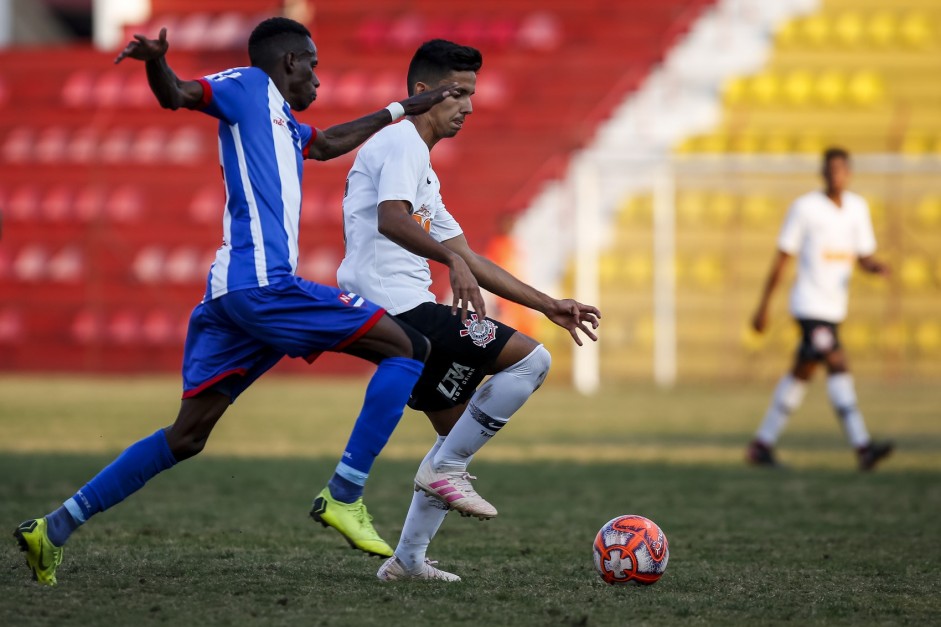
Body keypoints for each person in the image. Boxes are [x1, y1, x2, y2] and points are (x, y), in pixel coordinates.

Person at [13, 17, 460, 586]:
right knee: (409, 346)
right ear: (290, 62)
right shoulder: (249, 86)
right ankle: (345, 493)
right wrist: (156, 61)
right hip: (262, 286)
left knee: (187, 435)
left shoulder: (284, 123)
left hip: (232, 298)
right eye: (314, 66)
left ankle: (51, 528)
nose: (319, 80)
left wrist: (402, 108)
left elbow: (325, 143)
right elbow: (177, 94)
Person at [336, 39, 601, 582]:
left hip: (402, 308)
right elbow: (391, 219)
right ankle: (445, 471)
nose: (469, 107)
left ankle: (407, 560)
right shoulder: (401, 143)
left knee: (453, 436)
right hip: (398, 306)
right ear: (421, 93)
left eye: (472, 95)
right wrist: (447, 262)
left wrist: (550, 304)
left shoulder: (423, 169)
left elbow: (468, 255)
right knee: (531, 362)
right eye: (458, 93)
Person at [747, 147, 893, 471]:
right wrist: (763, 307)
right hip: (809, 307)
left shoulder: (858, 208)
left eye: (841, 169)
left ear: (849, 173)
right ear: (822, 173)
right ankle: (863, 447)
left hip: (834, 309)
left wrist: (875, 267)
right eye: (829, 170)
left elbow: (864, 255)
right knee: (837, 363)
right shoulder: (805, 208)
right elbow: (783, 257)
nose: (835, 175)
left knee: (802, 373)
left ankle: (761, 445)